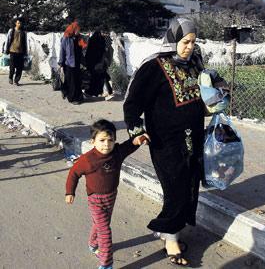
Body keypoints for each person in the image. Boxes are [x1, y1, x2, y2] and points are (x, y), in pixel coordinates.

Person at [123, 18, 205, 267]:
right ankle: (171, 236)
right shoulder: (154, 66)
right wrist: (136, 130)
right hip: (166, 142)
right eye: (185, 42)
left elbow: (205, 87)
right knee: (176, 189)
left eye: (192, 42)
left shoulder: (195, 63)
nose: (189, 47)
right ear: (173, 39)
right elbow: (133, 102)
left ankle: (171, 228)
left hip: (194, 138)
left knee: (190, 186)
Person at [65, 119, 142, 269]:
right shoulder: (88, 159)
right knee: (105, 230)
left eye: (110, 140)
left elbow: (129, 145)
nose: (106, 144)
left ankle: (93, 244)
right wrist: (70, 192)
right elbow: (73, 173)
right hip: (95, 199)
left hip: (111, 196)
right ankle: (106, 264)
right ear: (93, 141)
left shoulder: (116, 153)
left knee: (99, 224)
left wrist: (137, 139)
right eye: (102, 140)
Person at [58, 21, 86, 105]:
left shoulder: (78, 37)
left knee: (77, 81)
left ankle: (78, 96)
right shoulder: (66, 38)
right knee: (72, 82)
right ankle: (72, 98)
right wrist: (61, 63)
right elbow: (62, 51)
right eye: (78, 29)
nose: (79, 31)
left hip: (77, 63)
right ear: (74, 29)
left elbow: (83, 47)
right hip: (69, 64)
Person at [5, 17, 28, 86]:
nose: (19, 24)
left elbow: (25, 43)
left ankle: (16, 80)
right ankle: (10, 78)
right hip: (12, 51)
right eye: (18, 23)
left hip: (21, 52)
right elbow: (8, 41)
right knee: (12, 66)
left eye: (20, 23)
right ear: (15, 23)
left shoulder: (23, 32)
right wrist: (6, 50)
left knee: (20, 68)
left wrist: (26, 52)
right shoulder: (11, 31)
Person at [84, 30, 106, 97]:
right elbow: (102, 51)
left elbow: (88, 51)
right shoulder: (100, 40)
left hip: (92, 62)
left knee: (93, 77)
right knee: (97, 77)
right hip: (97, 62)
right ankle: (97, 91)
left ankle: (91, 92)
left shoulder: (93, 39)